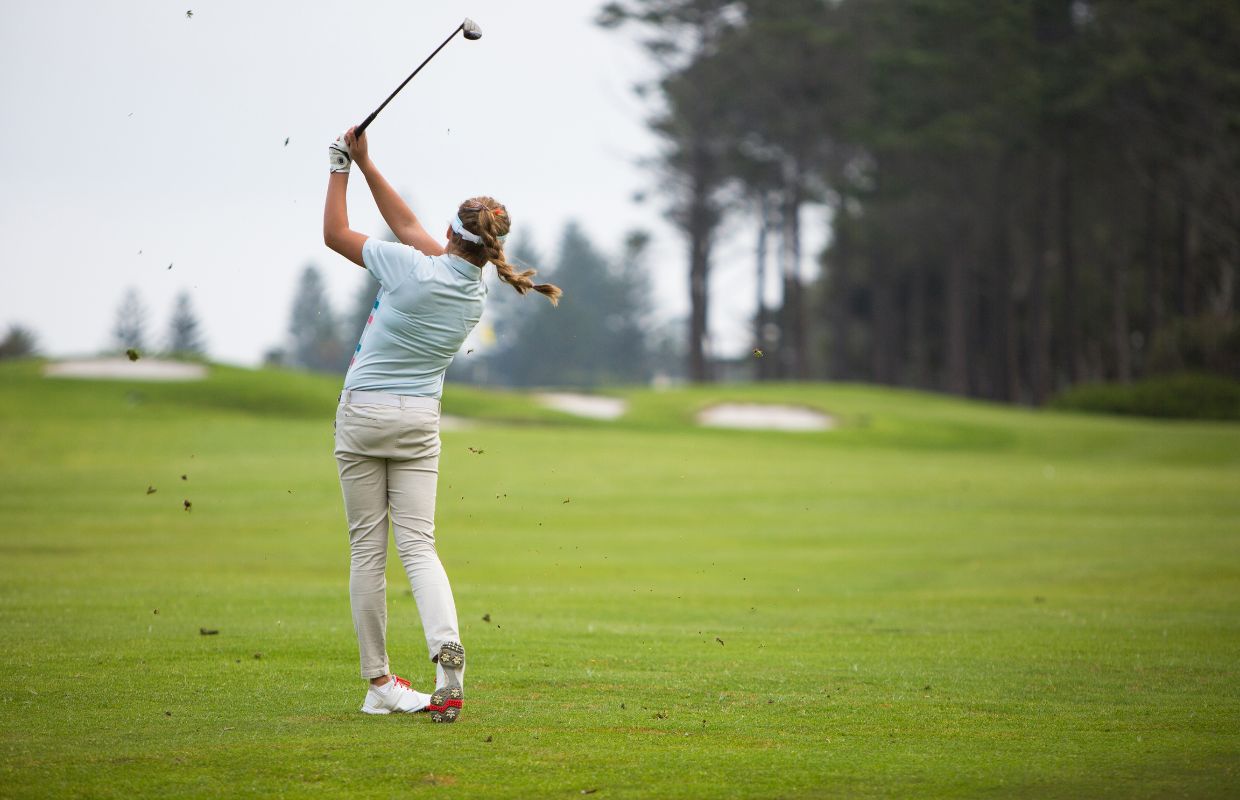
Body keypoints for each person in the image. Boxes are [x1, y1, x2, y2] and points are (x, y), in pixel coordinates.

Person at [322, 127, 561, 722]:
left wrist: (338, 167)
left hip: (363, 413)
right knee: (419, 546)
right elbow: (408, 228)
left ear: (451, 235)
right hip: (418, 421)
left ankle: (379, 681)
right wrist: (369, 163)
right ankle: (445, 658)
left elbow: (334, 235)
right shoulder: (471, 290)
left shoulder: (409, 269)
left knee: (367, 550)